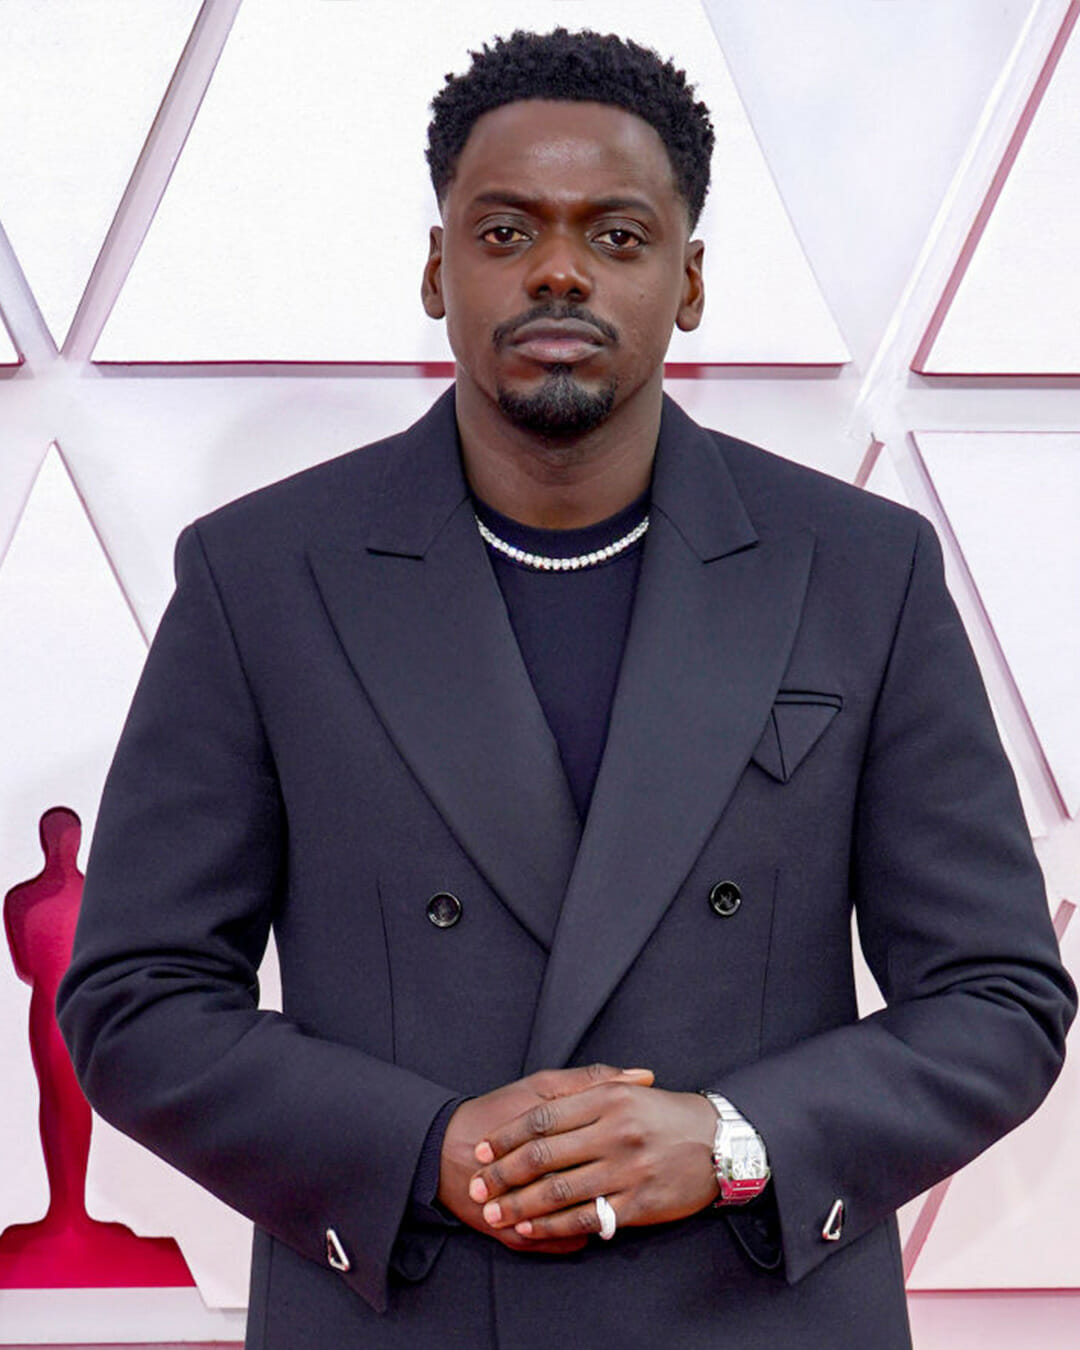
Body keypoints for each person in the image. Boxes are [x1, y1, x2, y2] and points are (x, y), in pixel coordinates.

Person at [58, 28, 1075, 1350]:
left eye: (615, 234)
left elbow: (1000, 997)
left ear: (688, 279)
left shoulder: (860, 573)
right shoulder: (263, 577)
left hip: (749, 1312)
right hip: (408, 1311)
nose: (557, 269)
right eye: (504, 232)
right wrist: (425, 1149)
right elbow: (137, 999)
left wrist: (735, 1139)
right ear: (437, 269)